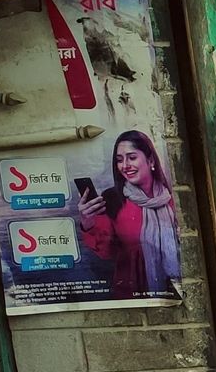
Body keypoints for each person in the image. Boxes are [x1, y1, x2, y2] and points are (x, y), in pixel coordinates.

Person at [76, 129, 181, 300]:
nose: (125, 166)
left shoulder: (173, 196)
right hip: (133, 296)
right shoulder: (112, 199)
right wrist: (88, 223)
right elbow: (106, 252)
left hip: (177, 291)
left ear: (150, 160)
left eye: (132, 157)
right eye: (119, 160)